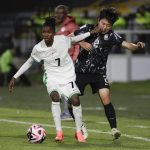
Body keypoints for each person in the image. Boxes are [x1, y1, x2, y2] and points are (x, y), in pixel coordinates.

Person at [8, 17, 100, 142]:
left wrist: (92, 32)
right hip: (51, 76)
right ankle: (59, 133)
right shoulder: (38, 48)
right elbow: (29, 62)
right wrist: (15, 76)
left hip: (67, 75)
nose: (46, 34)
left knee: (75, 100)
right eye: (44, 32)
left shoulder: (62, 40)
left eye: (49, 32)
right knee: (55, 97)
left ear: (54, 33)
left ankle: (79, 132)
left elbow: (75, 39)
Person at [67, 7, 145, 140]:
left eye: (108, 25)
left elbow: (127, 45)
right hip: (80, 71)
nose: (105, 27)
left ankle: (114, 129)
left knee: (106, 98)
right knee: (71, 100)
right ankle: (80, 125)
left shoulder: (112, 35)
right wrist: (82, 42)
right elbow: (68, 38)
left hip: (99, 73)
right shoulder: (87, 28)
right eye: (103, 23)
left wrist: (137, 46)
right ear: (98, 21)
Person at [54, 5, 80, 120]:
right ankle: (67, 111)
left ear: (65, 14)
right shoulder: (57, 26)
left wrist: (74, 60)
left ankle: (68, 112)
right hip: (58, 62)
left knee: (67, 87)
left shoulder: (71, 26)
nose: (57, 15)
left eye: (60, 13)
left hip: (68, 62)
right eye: (56, 13)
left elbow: (78, 43)